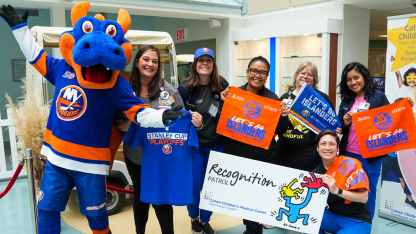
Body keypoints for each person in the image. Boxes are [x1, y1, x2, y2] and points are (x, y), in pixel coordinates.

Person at [114, 45, 184, 234]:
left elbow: (181, 120)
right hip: (134, 154)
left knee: (161, 196)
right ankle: (140, 231)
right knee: (140, 193)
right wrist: (136, 120)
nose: (150, 64)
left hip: (162, 154)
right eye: (146, 59)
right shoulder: (124, 90)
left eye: (154, 61)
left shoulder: (169, 92)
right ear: (136, 62)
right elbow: (117, 124)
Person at [220, 56, 289, 234]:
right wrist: (222, 102)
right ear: (247, 72)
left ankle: (253, 232)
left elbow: (281, 131)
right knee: (242, 199)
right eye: (254, 71)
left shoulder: (272, 99)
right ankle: (249, 229)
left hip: (262, 158)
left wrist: (283, 116)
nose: (257, 75)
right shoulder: (234, 94)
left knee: (255, 201)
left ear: (267, 76)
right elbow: (222, 123)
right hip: (237, 157)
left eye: (262, 72)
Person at [178, 47, 228, 234]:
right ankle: (194, 217)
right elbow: (177, 118)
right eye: (201, 60)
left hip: (218, 144)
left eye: (209, 60)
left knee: (213, 186)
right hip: (195, 146)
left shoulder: (223, 85)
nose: (205, 63)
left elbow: (230, 115)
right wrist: (194, 124)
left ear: (213, 64)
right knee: (194, 185)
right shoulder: (185, 89)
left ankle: (205, 220)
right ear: (195, 64)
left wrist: (223, 102)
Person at [337, 62, 390, 219]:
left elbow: (389, 120)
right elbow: (341, 126)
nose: (353, 82)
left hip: (370, 156)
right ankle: (350, 224)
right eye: (348, 80)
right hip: (348, 154)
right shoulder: (347, 100)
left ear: (364, 77)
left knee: (368, 193)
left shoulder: (378, 97)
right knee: (348, 191)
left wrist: (406, 107)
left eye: (356, 77)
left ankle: (365, 225)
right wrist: (345, 123)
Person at [275, 61, 335, 171]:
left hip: (309, 157)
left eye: (310, 75)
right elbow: (277, 128)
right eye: (302, 73)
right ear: (296, 75)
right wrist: (283, 116)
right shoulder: (284, 98)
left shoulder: (321, 99)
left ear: (315, 79)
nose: (305, 77)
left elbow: (330, 127)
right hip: (283, 154)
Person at [313, 130, 372, 234]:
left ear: (337, 148)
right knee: (306, 217)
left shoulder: (350, 164)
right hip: (333, 218)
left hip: (357, 221)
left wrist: (337, 191)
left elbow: (364, 198)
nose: (327, 148)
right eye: (323, 144)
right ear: (317, 148)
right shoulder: (316, 174)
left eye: (332, 144)